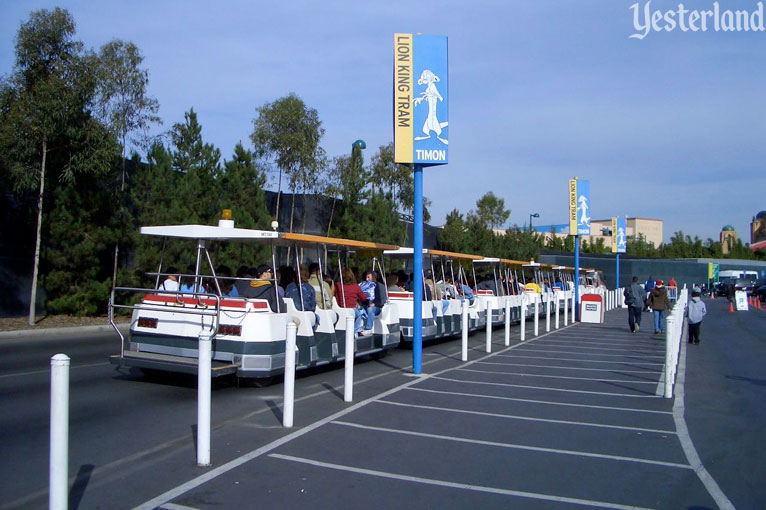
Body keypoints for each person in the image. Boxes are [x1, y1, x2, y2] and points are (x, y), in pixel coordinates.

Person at [335, 268, 368, 336]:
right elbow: (363, 298)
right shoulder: (355, 286)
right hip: (352, 308)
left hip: (340, 307)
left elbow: (336, 296)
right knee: (359, 315)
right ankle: (354, 331)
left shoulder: (338, 285)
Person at [359, 270, 383, 334]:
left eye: (368, 277)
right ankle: (357, 328)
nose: (367, 279)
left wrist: (374, 303)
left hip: (377, 307)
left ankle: (368, 328)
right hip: (365, 304)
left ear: (374, 277)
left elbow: (382, 300)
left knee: (370, 309)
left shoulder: (379, 286)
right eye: (366, 277)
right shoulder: (363, 285)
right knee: (358, 309)